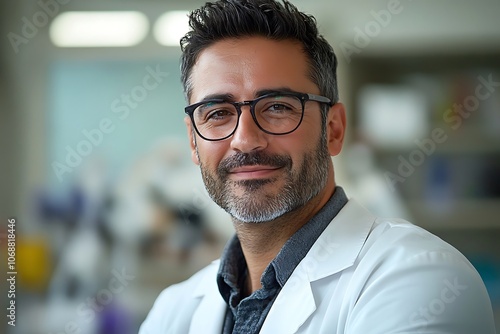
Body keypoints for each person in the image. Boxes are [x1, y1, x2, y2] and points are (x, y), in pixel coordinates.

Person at [139, 0, 496, 333]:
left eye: (277, 107)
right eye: (217, 113)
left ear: (334, 129)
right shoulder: (174, 310)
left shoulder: (421, 279)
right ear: (193, 141)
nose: (245, 140)